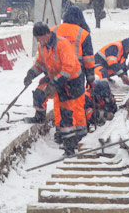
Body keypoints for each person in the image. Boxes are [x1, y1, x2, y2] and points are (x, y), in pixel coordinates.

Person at [23, 22, 87, 156]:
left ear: (46, 35)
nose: (37, 41)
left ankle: (70, 146)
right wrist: (31, 74)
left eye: (38, 38)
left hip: (72, 80)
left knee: (66, 112)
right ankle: (39, 117)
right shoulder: (43, 46)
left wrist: (55, 84)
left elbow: (68, 68)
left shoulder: (62, 44)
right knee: (40, 92)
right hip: (56, 77)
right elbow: (40, 64)